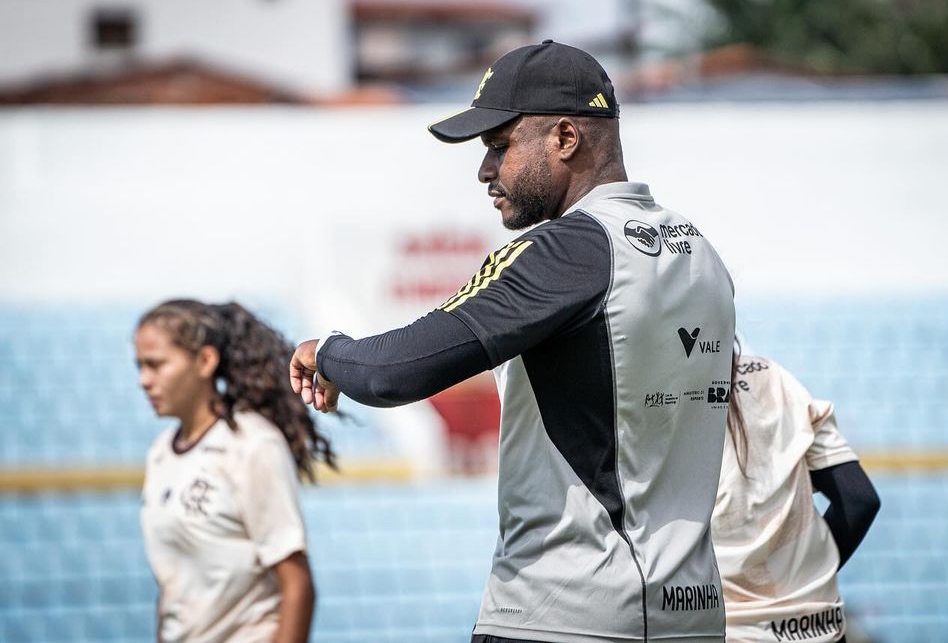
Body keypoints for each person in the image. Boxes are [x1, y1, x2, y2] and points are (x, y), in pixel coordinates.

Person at [289, 40, 737, 643]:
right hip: (693, 617)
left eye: (500, 147)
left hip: (564, 613)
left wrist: (329, 353)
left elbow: (399, 370)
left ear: (566, 139)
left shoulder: (567, 250)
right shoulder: (700, 255)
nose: (484, 170)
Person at [135, 299, 336, 643]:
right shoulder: (159, 454)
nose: (144, 380)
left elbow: (298, 585)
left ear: (205, 361)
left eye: (156, 365)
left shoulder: (252, 445)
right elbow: (173, 586)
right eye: (139, 366)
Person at [712, 354, 880, 643]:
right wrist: (806, 582)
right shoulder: (774, 377)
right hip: (821, 629)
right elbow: (859, 499)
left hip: (732, 632)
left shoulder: (664, 394)